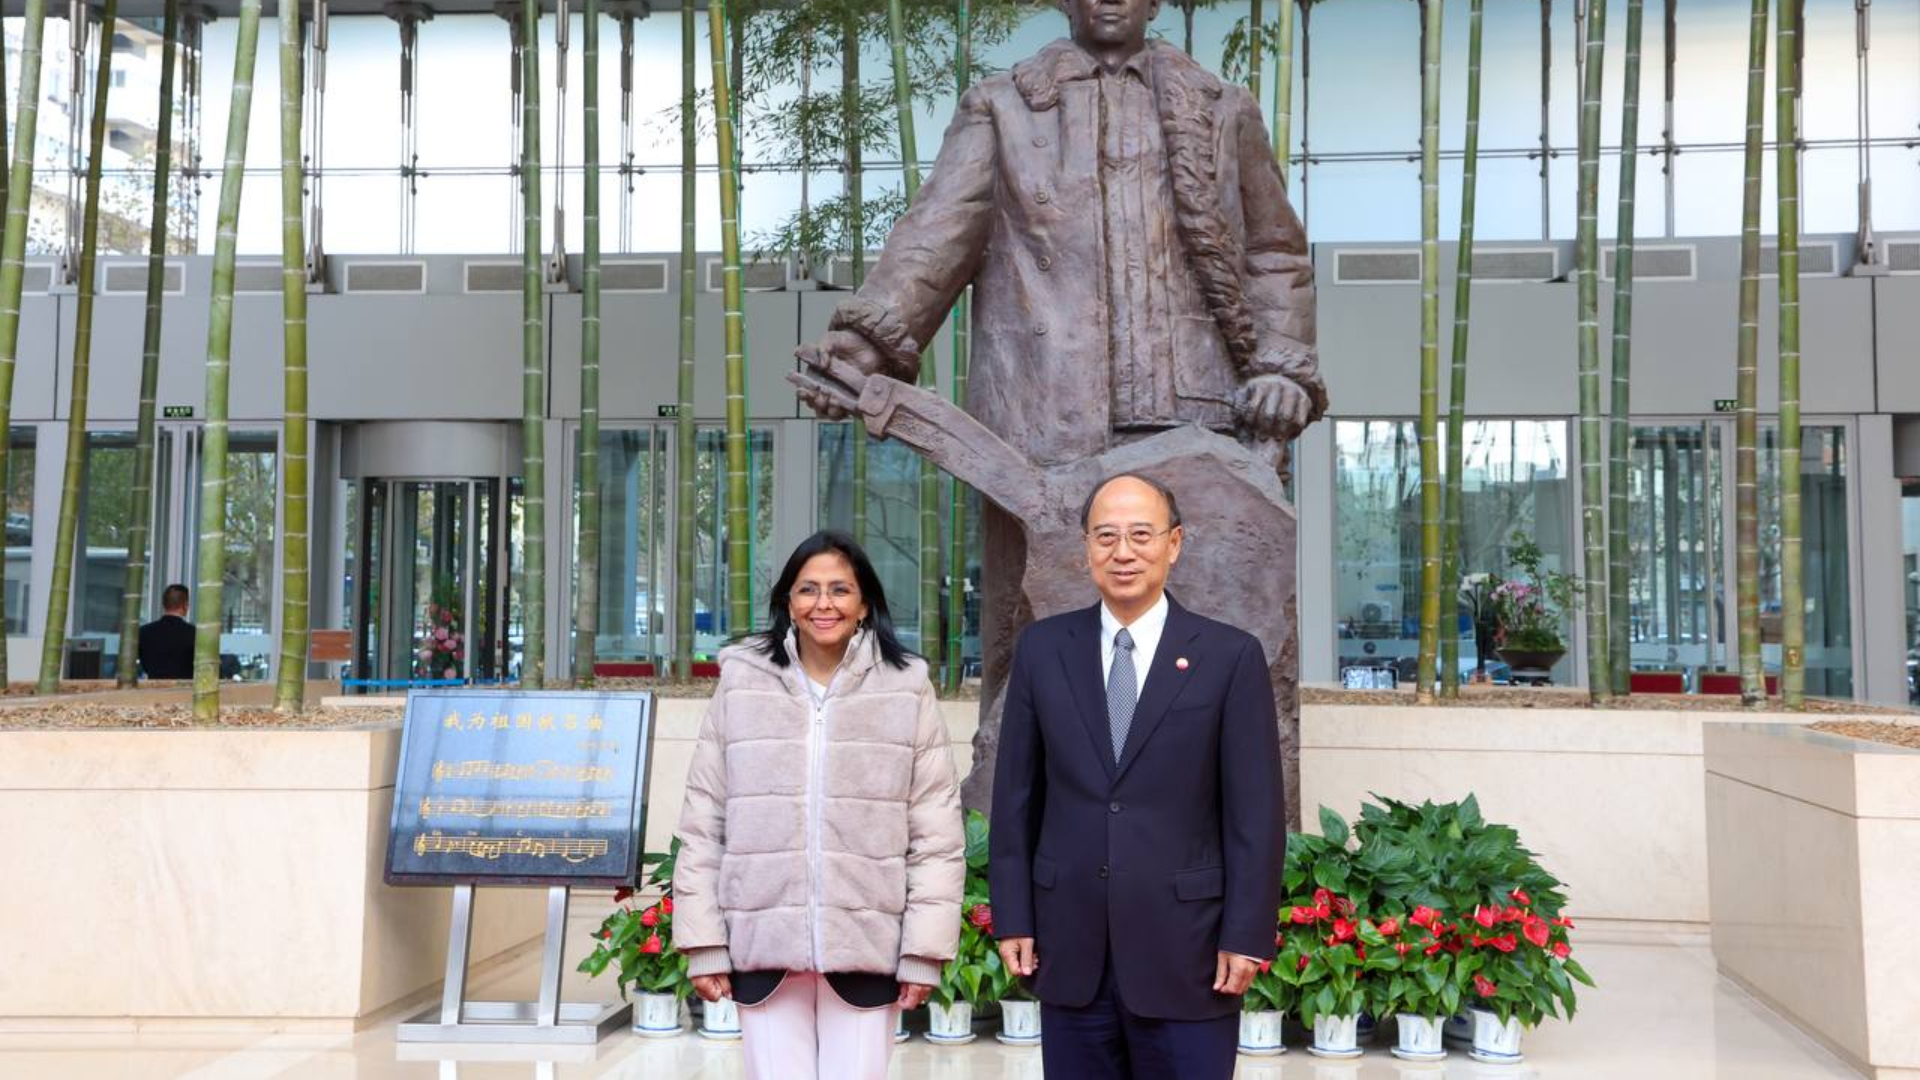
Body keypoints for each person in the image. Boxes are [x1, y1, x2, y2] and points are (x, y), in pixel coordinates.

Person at [796, 0, 1324, 808]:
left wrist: (1284, 366)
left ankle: (1223, 842)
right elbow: (939, 234)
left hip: (1196, 424)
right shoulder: (1004, 106)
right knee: (1030, 643)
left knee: (1216, 650)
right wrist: (868, 345)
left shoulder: (1223, 108)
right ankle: (1017, 839)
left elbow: (1274, 251)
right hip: (1041, 427)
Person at [989, 474, 1285, 1080]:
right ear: (1086, 549)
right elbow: (1016, 799)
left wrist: (1247, 933)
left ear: (1174, 544)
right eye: (1106, 536)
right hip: (1071, 948)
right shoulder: (1044, 649)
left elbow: (1255, 814)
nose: (1123, 552)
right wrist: (1013, 915)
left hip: (1191, 952)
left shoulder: (1229, 656)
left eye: (1141, 535)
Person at [673, 531, 965, 1080]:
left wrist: (923, 948)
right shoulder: (742, 680)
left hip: (866, 943)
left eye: (839, 590)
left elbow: (936, 831)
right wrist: (705, 941)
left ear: (863, 605)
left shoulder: (906, 686)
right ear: (788, 601)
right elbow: (704, 820)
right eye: (808, 590)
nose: (823, 604)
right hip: (763, 941)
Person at [137, 584, 194, 680]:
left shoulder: (144, 632)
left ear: (164, 604)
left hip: (153, 690)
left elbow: (143, 664)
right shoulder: (194, 633)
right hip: (185, 691)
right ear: (185, 605)